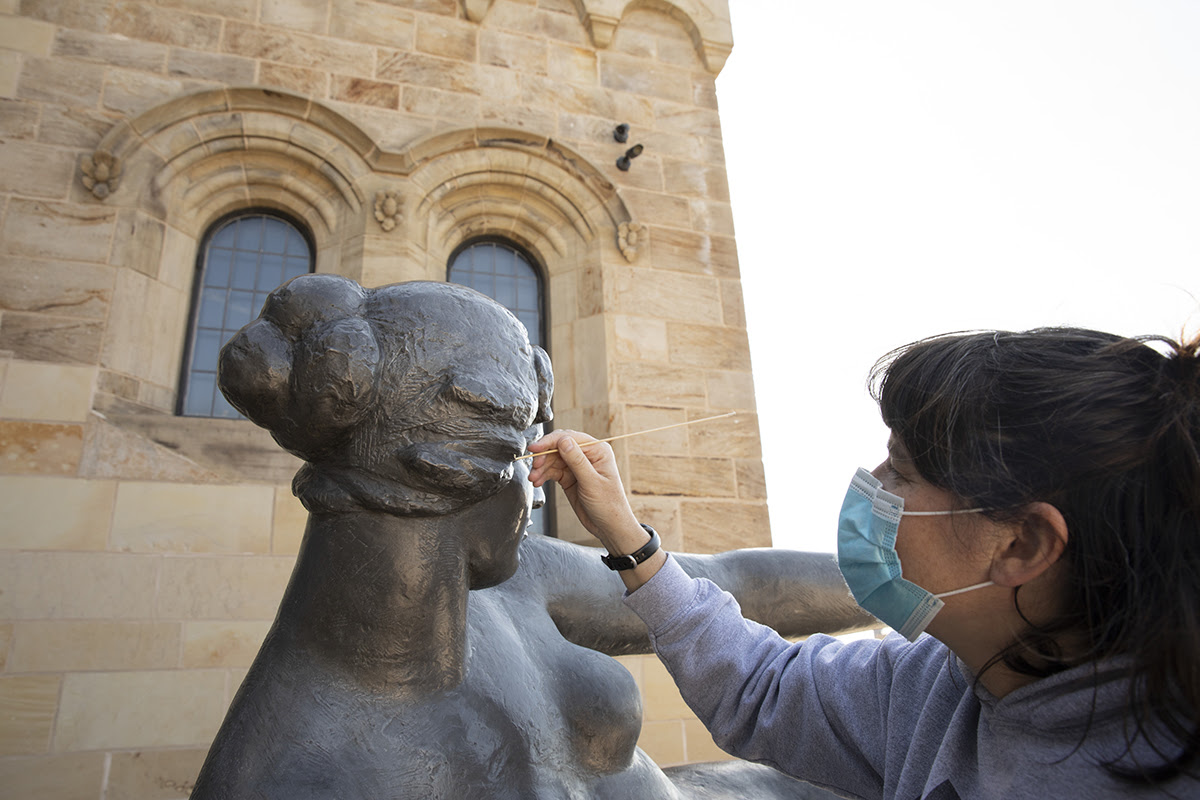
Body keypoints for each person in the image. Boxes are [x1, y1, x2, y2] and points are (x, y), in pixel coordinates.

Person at [190, 274, 871, 800]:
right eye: (526, 451)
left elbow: (736, 585)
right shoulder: (292, 770)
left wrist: (906, 573)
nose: (538, 484)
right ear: (462, 467)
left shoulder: (522, 581)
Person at [528, 327, 1200, 799]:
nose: (869, 487)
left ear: (1021, 544)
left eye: (900, 473)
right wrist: (626, 535)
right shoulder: (944, 681)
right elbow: (762, 687)